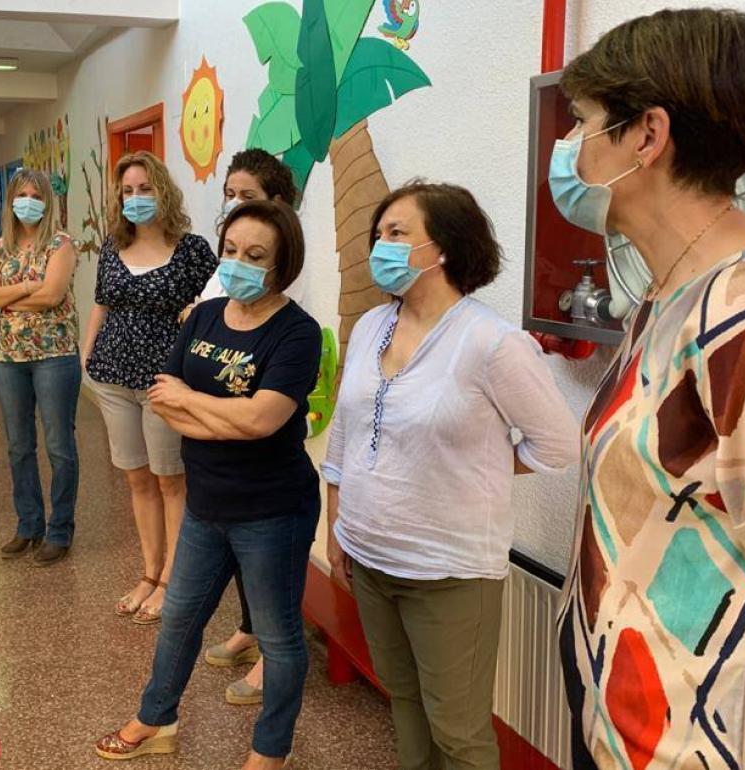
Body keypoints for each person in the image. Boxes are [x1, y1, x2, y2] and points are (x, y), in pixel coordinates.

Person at [552, 9, 745, 770]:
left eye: (582, 122)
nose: (568, 148)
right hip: (627, 727)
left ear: (646, 136)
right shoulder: (669, 291)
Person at [323, 181, 579, 770]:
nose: (380, 246)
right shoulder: (370, 328)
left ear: (443, 249)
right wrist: (336, 523)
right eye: (379, 234)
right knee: (404, 701)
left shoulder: (490, 343)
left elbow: (559, 445)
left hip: (448, 569)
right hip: (369, 555)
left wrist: (481, 462)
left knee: (459, 732)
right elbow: (344, 431)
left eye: (397, 233)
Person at [96, 200, 322, 770]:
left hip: (273, 510)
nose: (238, 263)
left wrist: (200, 406)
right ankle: (156, 717)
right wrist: (227, 416)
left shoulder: (297, 333)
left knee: (278, 637)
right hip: (206, 503)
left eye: (255, 256)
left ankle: (270, 752)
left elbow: (264, 420)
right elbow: (163, 399)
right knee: (178, 618)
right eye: (230, 251)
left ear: (282, 264)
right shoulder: (204, 316)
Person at [83, 151, 217, 624]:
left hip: (166, 381)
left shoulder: (192, 249)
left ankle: (171, 581)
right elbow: (101, 304)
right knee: (137, 478)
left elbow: (219, 305)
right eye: (127, 191)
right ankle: (148, 571)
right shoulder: (110, 247)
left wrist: (195, 320)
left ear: (162, 190)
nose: (136, 199)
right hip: (113, 377)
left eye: (144, 188)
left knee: (170, 479)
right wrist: (87, 357)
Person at [198, 148, 300, 706]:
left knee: (267, 555)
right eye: (230, 194)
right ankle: (247, 628)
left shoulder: (282, 282)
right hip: (218, 451)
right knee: (238, 552)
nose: (234, 206)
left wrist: (196, 402)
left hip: (265, 449)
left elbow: (259, 411)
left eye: (249, 197)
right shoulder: (230, 270)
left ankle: (268, 650)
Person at [0, 168, 81, 566]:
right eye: (21, 194)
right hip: (8, 358)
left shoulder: (61, 243)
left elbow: (53, 295)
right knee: (20, 446)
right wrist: (25, 289)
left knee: (59, 446)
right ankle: (29, 525)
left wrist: (8, 298)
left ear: (48, 202)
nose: (28, 202)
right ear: (10, 202)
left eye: (36, 195)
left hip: (55, 355)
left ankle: (59, 530)